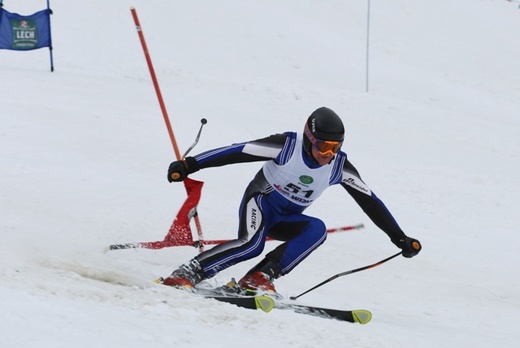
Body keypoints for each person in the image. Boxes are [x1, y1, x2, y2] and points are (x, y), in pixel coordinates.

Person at [161, 107, 421, 293]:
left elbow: (370, 201)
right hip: (261, 202)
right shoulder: (287, 146)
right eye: (324, 147)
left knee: (317, 230)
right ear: (310, 139)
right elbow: (238, 151)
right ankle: (189, 272)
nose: (329, 154)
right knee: (252, 245)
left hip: (287, 218)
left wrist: (399, 238)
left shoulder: (339, 166)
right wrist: (191, 164)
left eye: (335, 147)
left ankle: (258, 278)